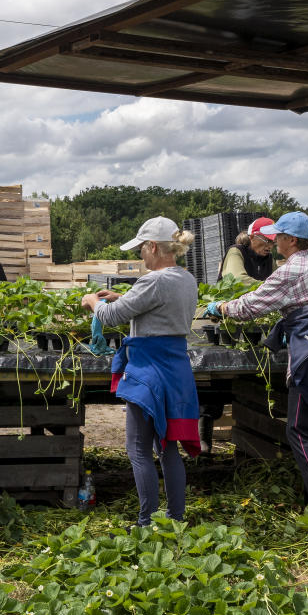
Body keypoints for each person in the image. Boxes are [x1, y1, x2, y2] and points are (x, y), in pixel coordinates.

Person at [204, 212, 308, 508]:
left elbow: (251, 305)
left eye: (279, 236)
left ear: (291, 240)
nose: (275, 240)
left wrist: (220, 306)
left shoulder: (291, 270)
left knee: (300, 430)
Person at [83, 217, 198, 528]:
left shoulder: (153, 281)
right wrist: (124, 298)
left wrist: (93, 301)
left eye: (141, 251)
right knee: (168, 445)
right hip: (175, 367)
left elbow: (108, 318)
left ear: (152, 246)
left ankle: (146, 521)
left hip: (149, 370)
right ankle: (176, 518)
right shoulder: (185, 279)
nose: (140, 257)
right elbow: (159, 307)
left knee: (138, 448)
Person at [219, 216, 278, 281]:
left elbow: (278, 281)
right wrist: (267, 287)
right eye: (268, 241)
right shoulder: (235, 251)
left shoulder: (269, 259)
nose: (270, 246)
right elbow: (238, 279)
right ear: (252, 237)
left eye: (273, 242)